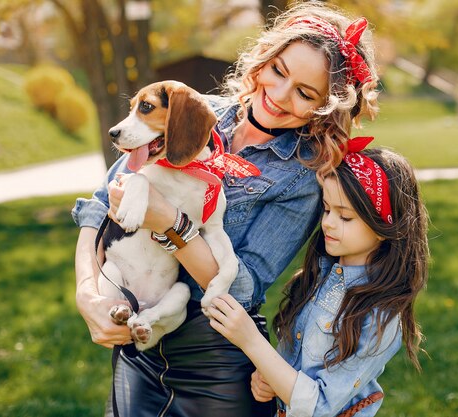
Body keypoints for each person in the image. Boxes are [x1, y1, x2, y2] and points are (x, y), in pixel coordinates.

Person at [71, 2, 380, 416]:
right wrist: (87, 294)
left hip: (216, 362)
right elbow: (98, 207)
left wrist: (171, 224)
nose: (280, 95)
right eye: (279, 72)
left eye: (306, 94)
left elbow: (244, 286)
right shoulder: (196, 111)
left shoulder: (303, 176)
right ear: (265, 59)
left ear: (326, 107)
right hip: (139, 347)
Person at [208, 144, 429, 417]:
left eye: (345, 216)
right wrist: (271, 379)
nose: (328, 223)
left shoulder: (380, 315)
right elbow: (298, 366)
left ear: (383, 225)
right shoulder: (320, 275)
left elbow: (319, 407)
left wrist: (251, 341)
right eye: (326, 210)